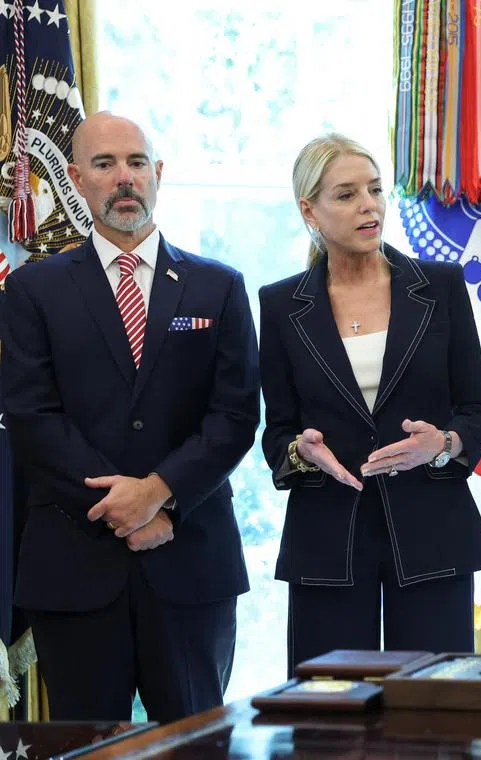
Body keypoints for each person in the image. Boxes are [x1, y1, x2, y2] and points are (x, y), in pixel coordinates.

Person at [0, 112, 259, 721]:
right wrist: (123, 507)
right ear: (74, 179)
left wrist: (161, 495)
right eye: (105, 164)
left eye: (137, 163)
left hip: (190, 561)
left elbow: (235, 414)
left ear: (158, 174)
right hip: (74, 563)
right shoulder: (34, 290)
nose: (124, 178)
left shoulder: (217, 287)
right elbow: (32, 416)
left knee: (197, 741)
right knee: (85, 748)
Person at [259, 134, 481, 674]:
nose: (369, 205)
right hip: (327, 538)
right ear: (310, 210)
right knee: (332, 718)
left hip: (433, 530)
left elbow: (480, 410)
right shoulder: (279, 305)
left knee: (436, 712)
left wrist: (444, 444)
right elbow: (276, 434)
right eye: (346, 195)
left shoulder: (439, 286)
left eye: (375, 190)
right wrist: (302, 450)